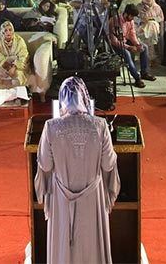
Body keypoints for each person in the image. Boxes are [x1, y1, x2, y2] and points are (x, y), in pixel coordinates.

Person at [33, 77, 119, 264]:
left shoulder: (51, 126)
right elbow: (108, 164)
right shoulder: (100, 125)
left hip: (62, 196)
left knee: (64, 241)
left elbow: (45, 165)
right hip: (92, 196)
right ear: (85, 98)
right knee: (90, 242)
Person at [109, 4, 156, 88]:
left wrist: (137, 44)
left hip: (126, 41)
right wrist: (129, 47)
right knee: (127, 54)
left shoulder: (130, 21)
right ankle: (137, 78)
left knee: (144, 47)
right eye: (132, 16)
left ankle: (144, 72)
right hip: (117, 45)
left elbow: (132, 34)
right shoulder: (115, 21)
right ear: (126, 14)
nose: (132, 19)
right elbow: (114, 41)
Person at [0, 20, 29, 89]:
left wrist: (14, 67)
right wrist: (3, 66)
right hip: (1, 67)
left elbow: (24, 56)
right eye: (5, 30)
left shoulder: (19, 40)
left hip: (17, 67)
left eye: (10, 30)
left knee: (18, 78)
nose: (8, 32)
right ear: (2, 32)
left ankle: (18, 97)